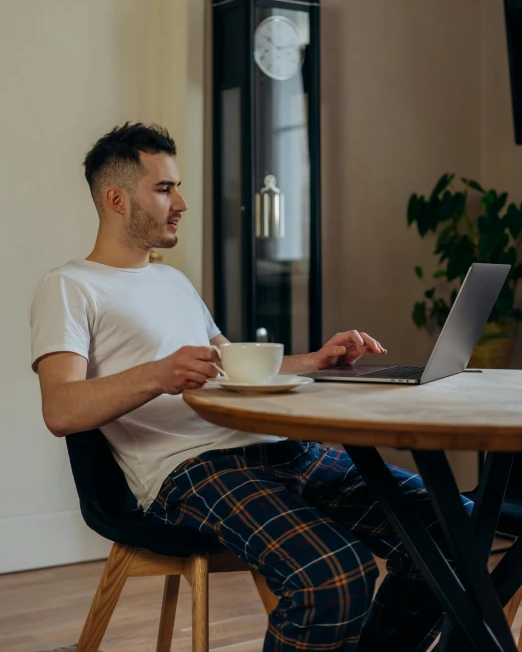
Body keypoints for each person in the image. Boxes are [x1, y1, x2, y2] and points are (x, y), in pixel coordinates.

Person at [30, 122, 459, 651]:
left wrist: (314, 360)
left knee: (449, 528)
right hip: (192, 470)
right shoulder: (70, 286)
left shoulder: (173, 281)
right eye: (164, 189)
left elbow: (235, 369)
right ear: (117, 199)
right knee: (334, 575)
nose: (181, 201)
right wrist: (157, 374)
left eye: (177, 185)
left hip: (279, 448)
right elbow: (60, 408)